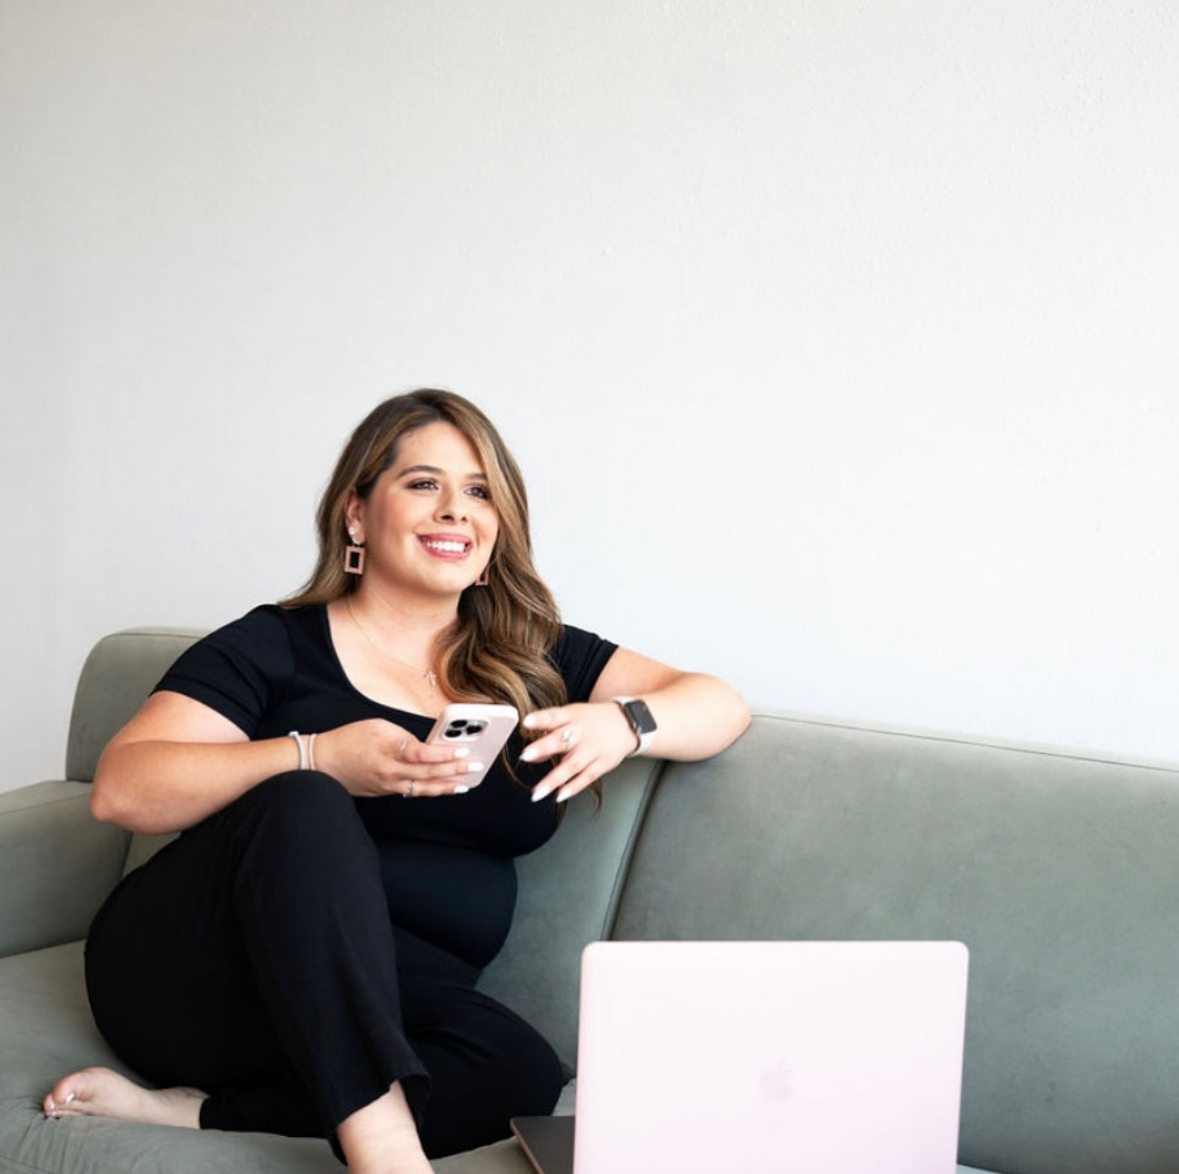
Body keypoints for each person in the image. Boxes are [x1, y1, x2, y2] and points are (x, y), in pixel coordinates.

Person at [43, 389, 750, 1173]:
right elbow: (123, 788)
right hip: (205, 984)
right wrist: (318, 756)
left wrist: (626, 722)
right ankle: (385, 1154)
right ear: (356, 514)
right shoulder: (276, 645)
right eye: (423, 483)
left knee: (517, 1071)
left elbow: (719, 706)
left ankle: (200, 1112)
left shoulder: (532, 658)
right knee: (305, 800)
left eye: (479, 491)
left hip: (393, 1002)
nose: (455, 510)